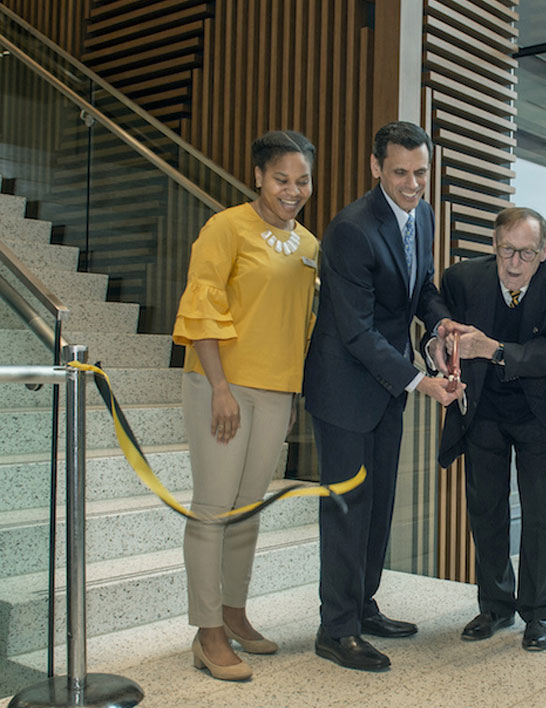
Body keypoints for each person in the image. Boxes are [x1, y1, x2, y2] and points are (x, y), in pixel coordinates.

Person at [302, 121, 463, 672]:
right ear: (375, 168)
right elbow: (356, 331)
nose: (414, 183)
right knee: (347, 509)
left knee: (380, 505)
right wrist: (421, 382)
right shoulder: (350, 229)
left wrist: (440, 328)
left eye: (421, 171)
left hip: (385, 390)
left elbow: (423, 291)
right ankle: (335, 628)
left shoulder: (423, 213)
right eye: (400, 172)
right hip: (345, 391)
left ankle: (363, 605)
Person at [173, 130, 319, 681]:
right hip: (222, 387)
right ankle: (207, 630)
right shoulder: (226, 226)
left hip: (277, 391)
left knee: (248, 508)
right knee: (213, 508)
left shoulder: (308, 244)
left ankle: (234, 611)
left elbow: (301, 324)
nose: (293, 190)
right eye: (282, 179)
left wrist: (293, 391)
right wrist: (219, 388)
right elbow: (203, 303)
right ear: (258, 175)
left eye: (302, 180)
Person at [433, 207, 546, 652]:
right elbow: (437, 316)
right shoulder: (463, 279)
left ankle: (539, 612)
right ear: (494, 246)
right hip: (483, 410)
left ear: (543, 253)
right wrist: (440, 343)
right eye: (506, 251)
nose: (514, 263)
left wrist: (495, 350)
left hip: (540, 413)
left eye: (526, 253)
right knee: (486, 508)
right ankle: (496, 605)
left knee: (539, 513)